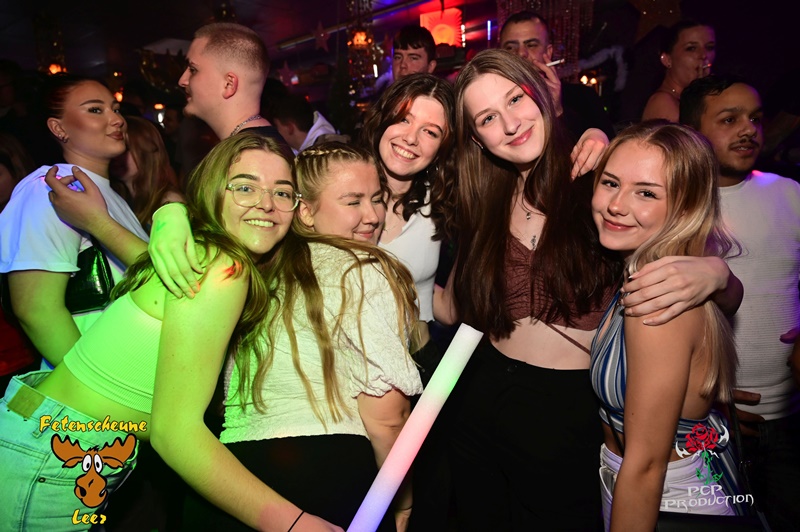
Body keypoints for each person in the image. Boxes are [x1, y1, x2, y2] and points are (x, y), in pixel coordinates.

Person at [446, 49, 743, 531]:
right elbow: (459, 301)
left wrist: (717, 273)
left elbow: (689, 248)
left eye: (516, 99)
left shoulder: (605, 180)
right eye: (487, 117)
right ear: (477, 138)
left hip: (569, 407)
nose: (510, 124)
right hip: (482, 388)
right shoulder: (486, 195)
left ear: (544, 96)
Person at [0, 132, 301, 531]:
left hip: (48, 439)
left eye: (283, 192)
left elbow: (149, 265)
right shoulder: (224, 268)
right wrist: (295, 523)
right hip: (57, 451)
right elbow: (174, 433)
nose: (266, 203)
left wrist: (166, 211)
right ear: (214, 191)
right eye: (245, 187)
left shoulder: (198, 257)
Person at [173, 141, 422, 532]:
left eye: (377, 199)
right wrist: (402, 499)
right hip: (323, 474)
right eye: (353, 201)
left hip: (230, 481)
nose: (373, 215)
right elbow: (387, 417)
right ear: (305, 210)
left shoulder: (252, 269)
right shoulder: (360, 266)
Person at [590, 121, 742, 531]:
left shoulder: (658, 301)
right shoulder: (645, 271)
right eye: (610, 183)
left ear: (685, 208)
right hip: (649, 480)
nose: (616, 205)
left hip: (671, 497)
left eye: (646, 193)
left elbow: (645, 466)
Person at [680, 75, 800, 532]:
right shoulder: (679, 206)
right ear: (693, 132)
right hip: (711, 419)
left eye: (755, 118)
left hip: (789, 416)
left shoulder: (788, 193)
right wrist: (699, 400)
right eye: (729, 120)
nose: (748, 129)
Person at [0, 74, 148, 368]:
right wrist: (88, 384)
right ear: (59, 128)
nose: (117, 120)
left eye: (116, 109)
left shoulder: (112, 195)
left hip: (131, 372)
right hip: (95, 383)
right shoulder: (50, 188)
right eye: (95, 110)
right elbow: (36, 310)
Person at [499, 10, 616, 141]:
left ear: (548, 52)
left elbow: (609, 149)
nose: (521, 53)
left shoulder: (583, 97)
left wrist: (557, 111)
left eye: (531, 45)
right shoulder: (491, 103)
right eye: (510, 48)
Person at [178, 22, 289, 148]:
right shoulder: (249, 146)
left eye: (193, 70)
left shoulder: (254, 154)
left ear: (228, 84)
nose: (182, 80)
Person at [110, 115, 183, 232]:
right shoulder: (118, 198)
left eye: (125, 148)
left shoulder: (169, 202)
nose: (116, 155)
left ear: (146, 152)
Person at [641, 19, 715, 123]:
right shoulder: (663, 102)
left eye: (709, 47)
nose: (703, 55)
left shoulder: (687, 99)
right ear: (667, 59)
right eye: (691, 48)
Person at [268, 93, 341, 155]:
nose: (276, 132)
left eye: (277, 127)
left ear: (290, 128)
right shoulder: (305, 152)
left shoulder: (327, 153)